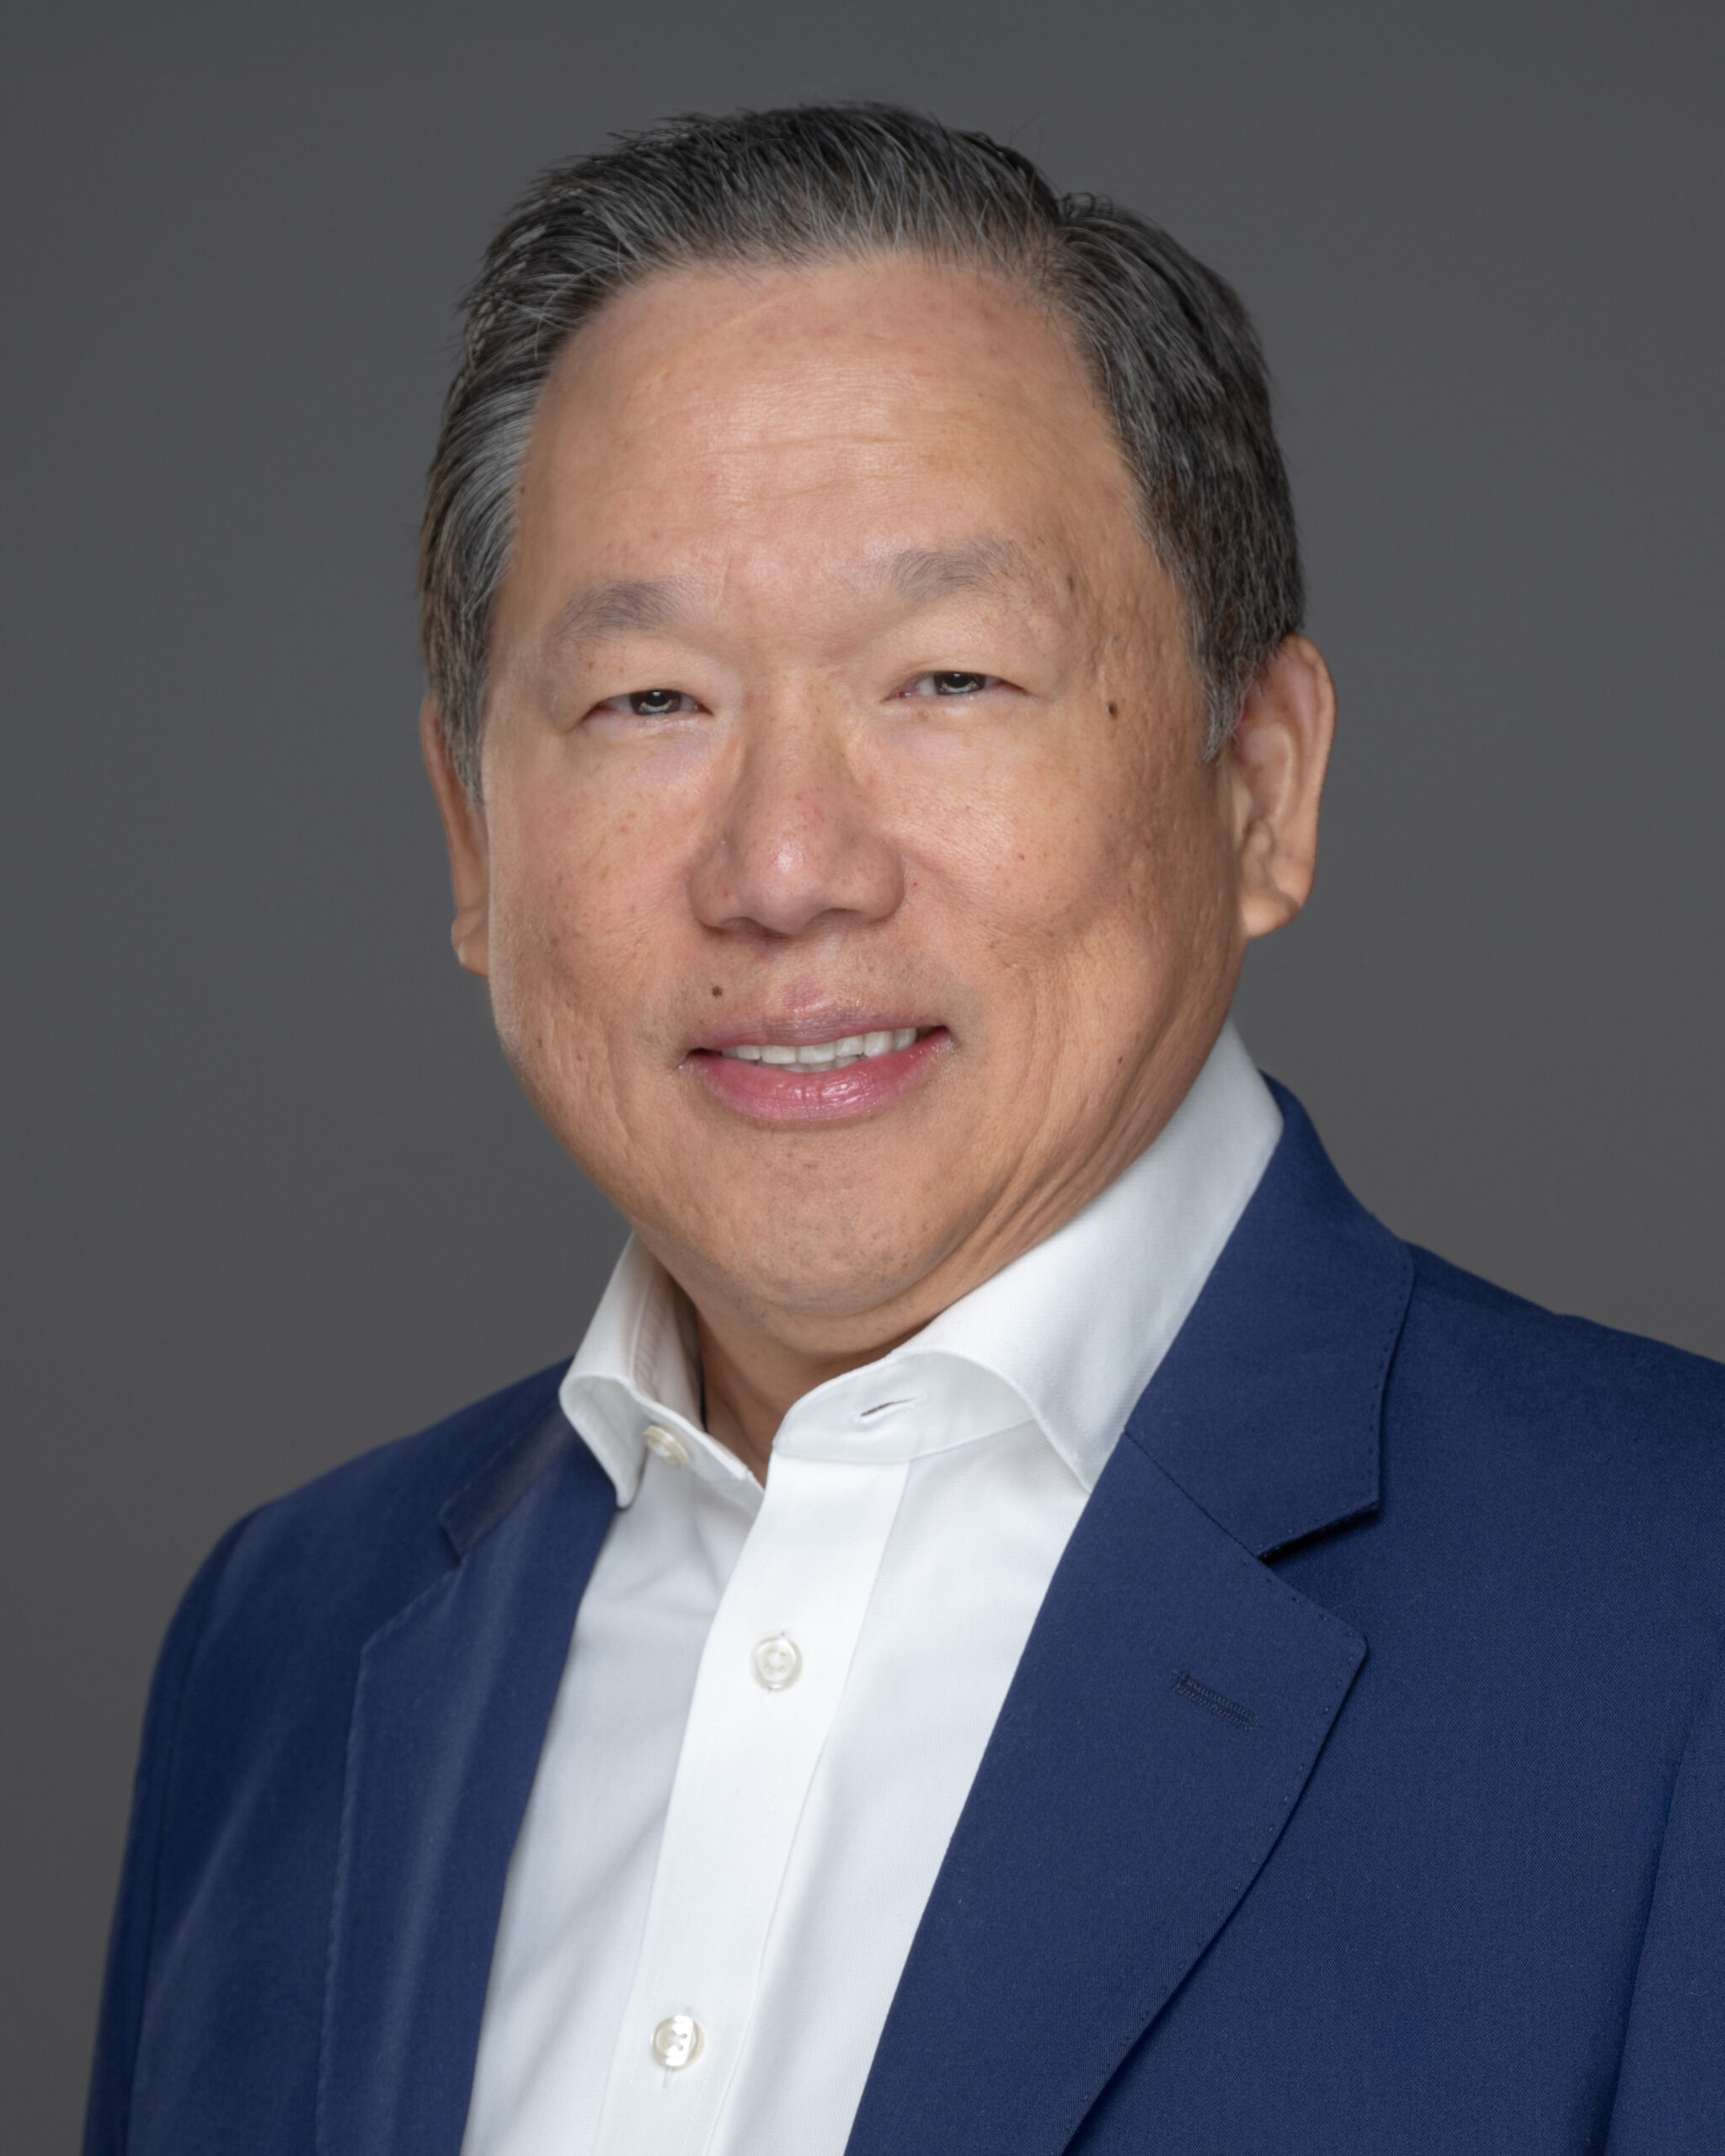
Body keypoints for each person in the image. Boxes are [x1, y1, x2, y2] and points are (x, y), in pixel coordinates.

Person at [84, 104, 1723, 2156]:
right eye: (648, 702)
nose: (784, 867)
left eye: (947, 678)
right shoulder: (279, 1643)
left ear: (1260, 781)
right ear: (472, 839)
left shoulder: (1674, 1611)